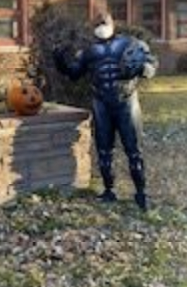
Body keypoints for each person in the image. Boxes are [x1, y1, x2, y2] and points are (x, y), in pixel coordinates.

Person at [53, 12, 157, 211]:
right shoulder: (89, 51)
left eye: (104, 23)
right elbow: (74, 73)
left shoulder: (129, 43)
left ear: (112, 24)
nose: (101, 26)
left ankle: (141, 192)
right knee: (103, 150)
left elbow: (151, 62)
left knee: (134, 150)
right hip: (102, 102)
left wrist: (146, 69)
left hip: (127, 101)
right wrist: (61, 60)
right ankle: (109, 190)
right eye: (98, 23)